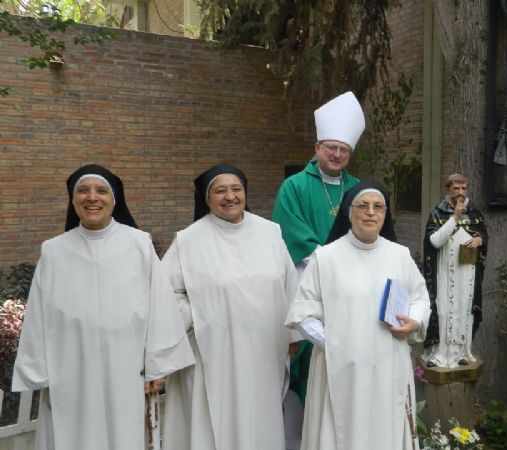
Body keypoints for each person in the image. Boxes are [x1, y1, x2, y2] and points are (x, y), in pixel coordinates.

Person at [13, 164, 194, 450]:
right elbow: (38, 314)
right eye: (83, 191)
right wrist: (41, 372)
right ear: (73, 201)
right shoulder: (54, 250)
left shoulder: (138, 244)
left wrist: (157, 366)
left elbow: (161, 305)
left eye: (101, 191)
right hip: (69, 367)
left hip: (127, 366)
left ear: (114, 199)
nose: (92, 197)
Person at [161, 164, 300, 450]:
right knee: (213, 426)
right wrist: (199, 315)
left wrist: (294, 335)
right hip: (212, 354)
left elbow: (290, 285)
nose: (230, 196)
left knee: (259, 420)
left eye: (236, 189)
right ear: (207, 198)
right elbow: (165, 295)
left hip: (264, 352)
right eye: (220, 190)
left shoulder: (270, 233)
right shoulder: (188, 240)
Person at [285, 181, 431, 450]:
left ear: (385, 214)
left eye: (378, 207)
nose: (370, 212)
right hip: (341, 367)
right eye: (362, 206)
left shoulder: (400, 255)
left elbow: (420, 297)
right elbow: (302, 312)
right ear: (348, 213)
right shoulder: (325, 257)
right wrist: (333, 342)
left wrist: (415, 320)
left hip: (389, 363)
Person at [272, 91, 365, 418]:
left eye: (344, 150)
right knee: (313, 361)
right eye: (332, 148)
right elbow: (290, 232)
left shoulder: (357, 189)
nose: (337, 155)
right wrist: (330, 265)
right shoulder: (294, 187)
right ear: (317, 148)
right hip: (308, 283)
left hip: (352, 286)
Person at [422, 173, 488, 368]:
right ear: (448, 190)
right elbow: (434, 241)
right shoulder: (437, 214)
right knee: (443, 310)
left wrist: (479, 240)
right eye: (456, 189)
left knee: (464, 310)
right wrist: (454, 217)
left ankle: (461, 352)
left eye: (464, 189)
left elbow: (483, 235)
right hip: (443, 272)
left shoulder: (474, 214)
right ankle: (440, 352)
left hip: (466, 273)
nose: (460, 193)